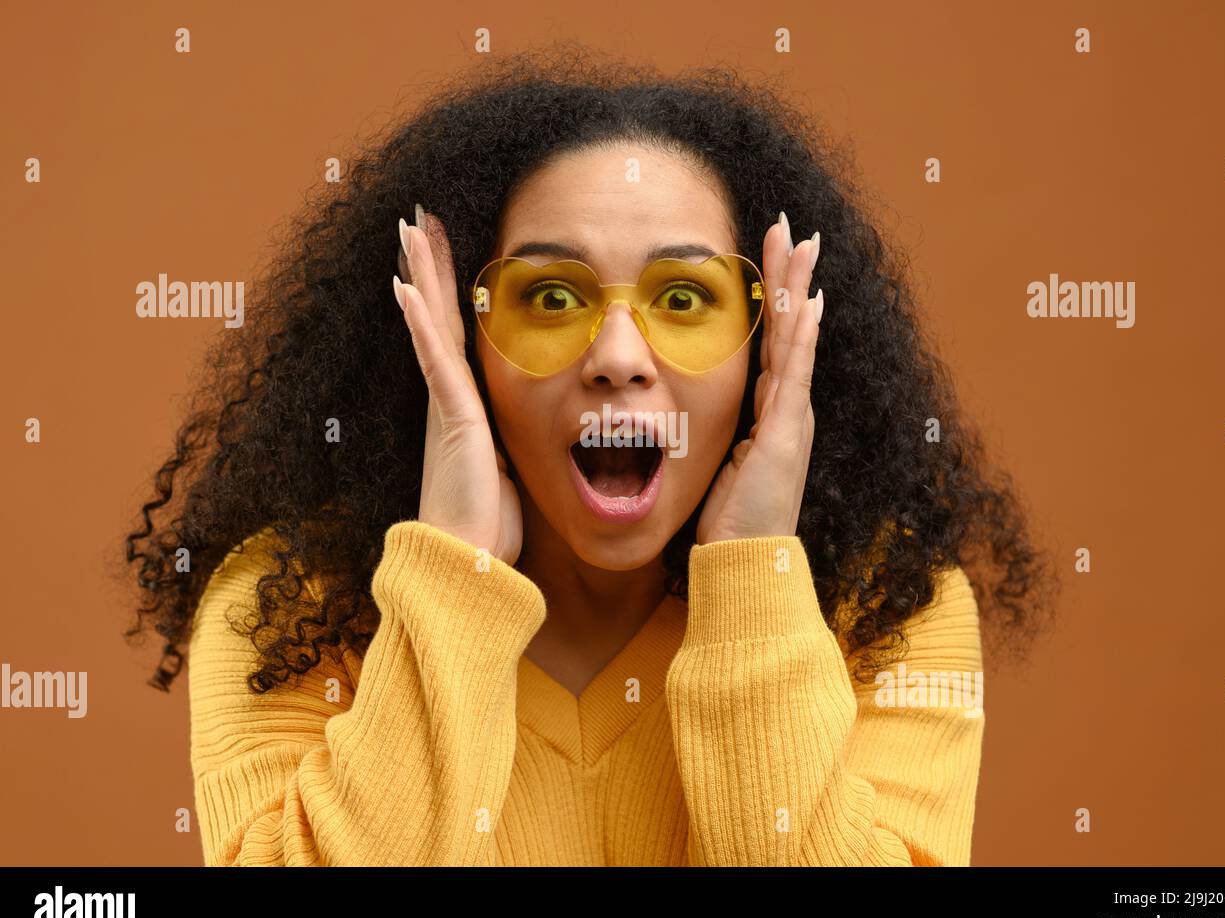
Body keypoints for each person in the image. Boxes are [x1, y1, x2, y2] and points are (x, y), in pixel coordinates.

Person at [125, 46, 1054, 866]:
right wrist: (451, 578)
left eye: (684, 300)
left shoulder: (891, 606)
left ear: (770, 347)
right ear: (456, 339)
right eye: (552, 299)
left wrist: (755, 577)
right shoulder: (285, 610)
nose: (616, 359)